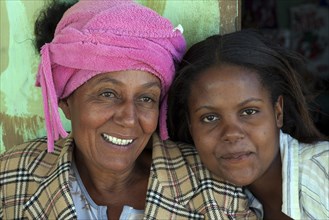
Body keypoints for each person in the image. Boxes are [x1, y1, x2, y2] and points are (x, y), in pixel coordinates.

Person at [0, 1, 257, 219]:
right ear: (65, 100)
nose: (128, 118)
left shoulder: (215, 192)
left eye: (146, 98)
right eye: (108, 94)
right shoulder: (11, 177)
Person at [168, 29, 329, 220]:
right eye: (210, 118)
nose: (232, 133)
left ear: (278, 112)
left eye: (249, 112)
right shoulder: (213, 201)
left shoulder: (323, 170)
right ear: (190, 125)